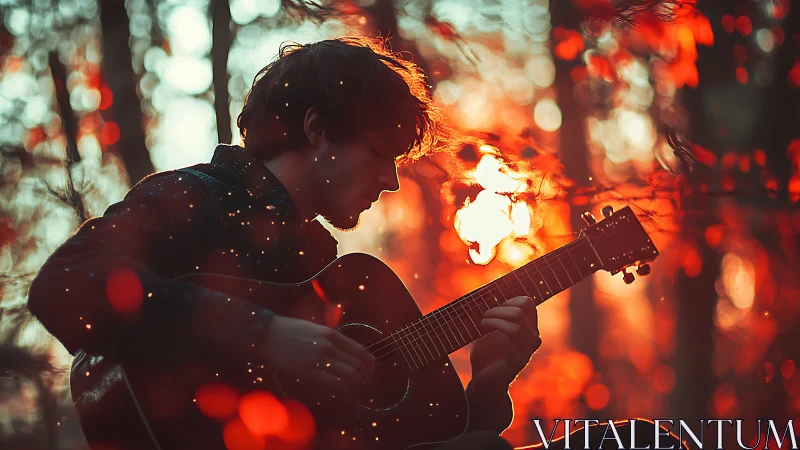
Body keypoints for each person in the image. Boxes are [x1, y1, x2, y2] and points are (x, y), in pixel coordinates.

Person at [27, 37, 541, 450]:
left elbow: (400, 435)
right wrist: (265, 334)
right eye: (380, 153)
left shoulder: (321, 269)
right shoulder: (193, 196)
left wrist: (489, 384)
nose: (391, 182)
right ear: (317, 128)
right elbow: (62, 284)